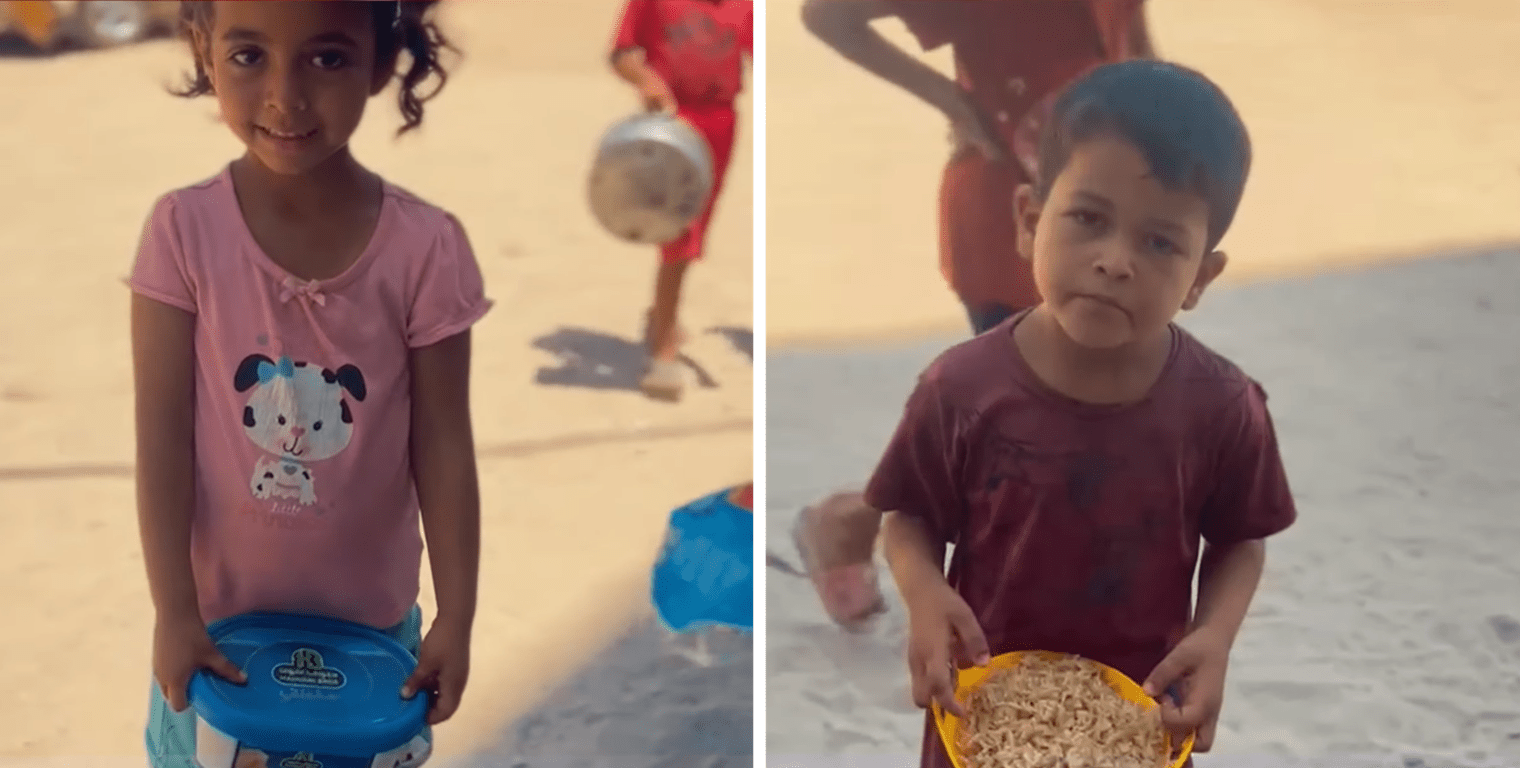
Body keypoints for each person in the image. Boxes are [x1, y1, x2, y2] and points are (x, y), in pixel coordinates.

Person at [866, 59, 1295, 766]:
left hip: (1136, 724)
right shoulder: (962, 389)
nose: (1115, 260)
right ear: (1031, 220)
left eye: (1161, 242)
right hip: (982, 716)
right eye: (1088, 219)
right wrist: (923, 590)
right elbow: (908, 514)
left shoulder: (1221, 408)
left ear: (1200, 278)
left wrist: (1214, 637)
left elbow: (1241, 539)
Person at [129, 3, 488, 766]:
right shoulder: (182, 233)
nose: (285, 98)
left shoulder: (426, 249)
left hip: (371, 642)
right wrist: (174, 612)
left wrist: (457, 613)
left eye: (326, 59)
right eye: (249, 56)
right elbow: (162, 438)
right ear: (205, 52)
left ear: (383, 62)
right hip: (219, 635)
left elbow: (445, 445)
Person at [793, 0, 1156, 628]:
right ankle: (855, 528)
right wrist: (955, 103)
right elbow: (828, 15)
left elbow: (1142, 58)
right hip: (1006, 228)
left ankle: (848, 525)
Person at [609, 0, 753, 401]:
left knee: (698, 229)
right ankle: (663, 348)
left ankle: (661, 313)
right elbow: (620, 54)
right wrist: (645, 78)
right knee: (678, 233)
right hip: (671, 121)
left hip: (722, 122)